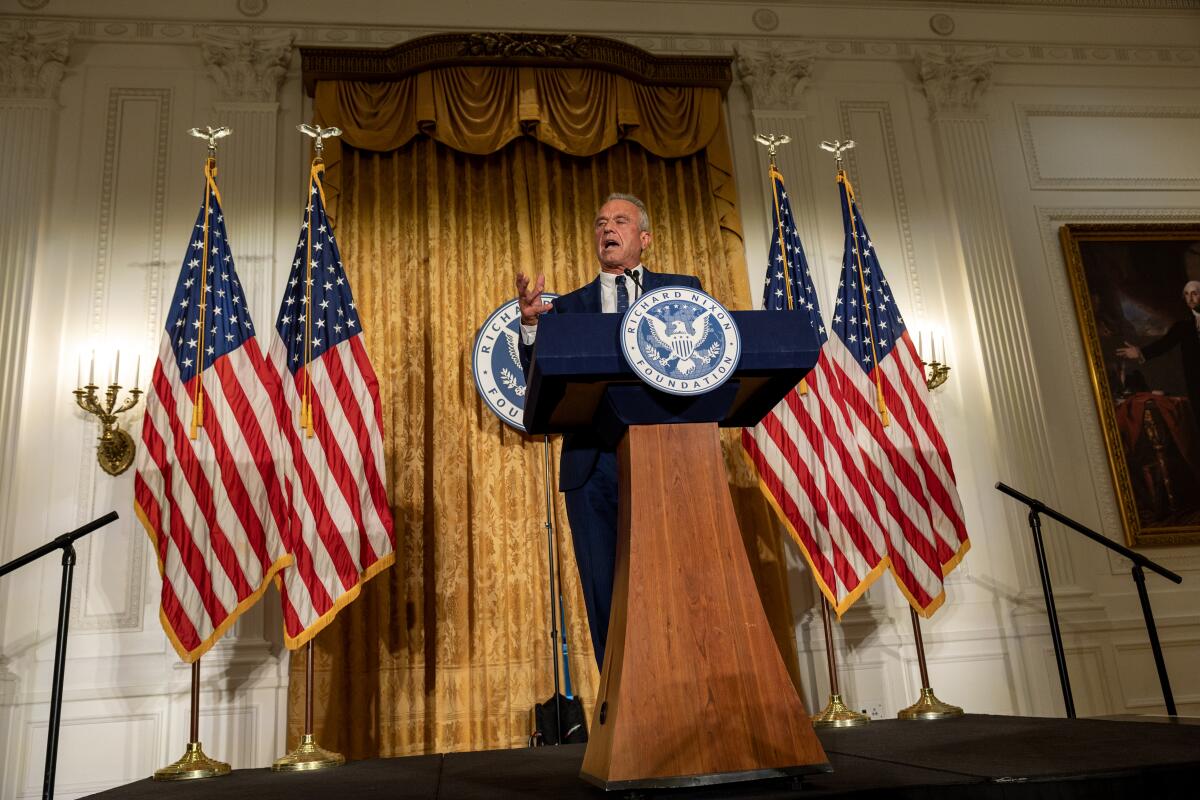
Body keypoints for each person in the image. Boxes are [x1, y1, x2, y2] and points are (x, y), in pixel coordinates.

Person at [514, 193, 702, 668]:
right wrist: (532, 327)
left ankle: (683, 688)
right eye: (600, 223)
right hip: (592, 466)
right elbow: (540, 380)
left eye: (619, 221)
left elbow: (708, 359)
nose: (607, 229)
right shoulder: (569, 308)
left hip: (670, 459)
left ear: (644, 238)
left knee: (677, 584)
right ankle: (618, 706)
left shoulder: (682, 293)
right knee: (605, 591)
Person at [1117, 280, 1200, 435]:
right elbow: (1163, 344)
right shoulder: (1183, 327)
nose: (1190, 298)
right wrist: (1140, 353)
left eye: (1194, 293)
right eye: (1187, 294)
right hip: (1196, 382)